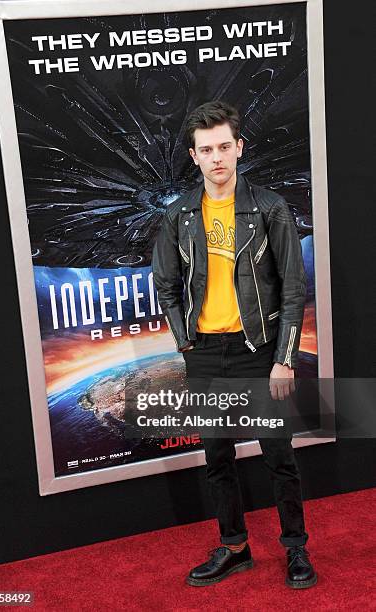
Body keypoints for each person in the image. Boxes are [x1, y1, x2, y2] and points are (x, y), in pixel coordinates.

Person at [152, 100, 317, 589]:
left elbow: (292, 287)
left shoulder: (269, 207)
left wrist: (284, 359)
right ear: (194, 155)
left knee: (278, 455)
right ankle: (234, 547)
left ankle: (295, 549)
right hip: (205, 352)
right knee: (216, 456)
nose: (217, 157)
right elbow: (164, 282)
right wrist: (186, 344)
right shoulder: (180, 214)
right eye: (207, 149)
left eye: (225, 146)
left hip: (259, 352)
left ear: (239, 148)